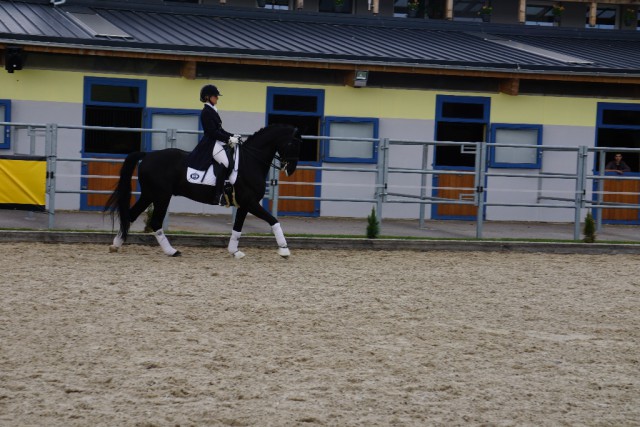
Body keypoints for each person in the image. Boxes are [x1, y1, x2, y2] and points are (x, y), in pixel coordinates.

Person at [187, 84, 241, 206]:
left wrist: (232, 135)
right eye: (215, 96)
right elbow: (212, 132)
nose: (217, 98)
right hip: (210, 143)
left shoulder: (212, 110)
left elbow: (220, 130)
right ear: (207, 97)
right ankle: (219, 195)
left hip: (216, 141)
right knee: (226, 163)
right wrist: (228, 138)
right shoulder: (206, 112)